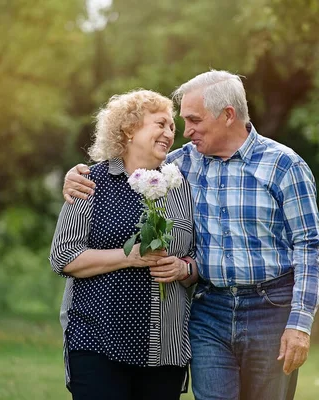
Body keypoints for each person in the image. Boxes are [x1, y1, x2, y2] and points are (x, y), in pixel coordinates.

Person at [63, 71, 319, 400]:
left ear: (228, 115)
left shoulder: (284, 166)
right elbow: (128, 164)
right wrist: (77, 175)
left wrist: (299, 325)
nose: (184, 132)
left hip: (270, 310)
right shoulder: (177, 168)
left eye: (193, 120)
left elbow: (309, 248)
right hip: (209, 311)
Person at [50, 89, 198, 400]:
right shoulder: (91, 181)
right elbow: (63, 256)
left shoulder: (180, 185)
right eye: (160, 124)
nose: (170, 133)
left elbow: (195, 255)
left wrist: (184, 268)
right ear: (130, 129)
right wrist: (127, 257)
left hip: (163, 347)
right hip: (97, 341)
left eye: (172, 126)